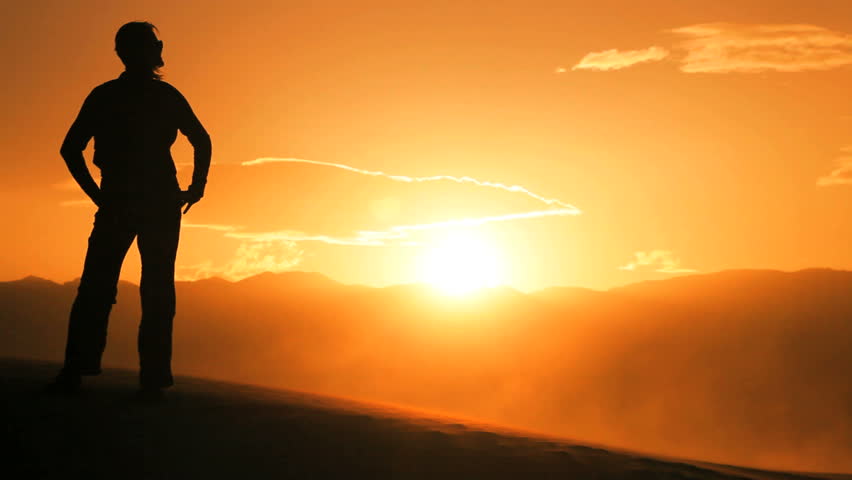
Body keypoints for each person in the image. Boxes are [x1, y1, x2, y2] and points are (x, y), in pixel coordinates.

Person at [48, 21, 211, 399]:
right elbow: (201, 140)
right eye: (154, 44)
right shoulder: (158, 96)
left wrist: (98, 196)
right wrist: (196, 188)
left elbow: (71, 149)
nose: (159, 49)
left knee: (100, 286)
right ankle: (150, 381)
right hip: (150, 202)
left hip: (125, 201)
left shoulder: (109, 96)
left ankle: (79, 371)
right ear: (139, 51)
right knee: (149, 290)